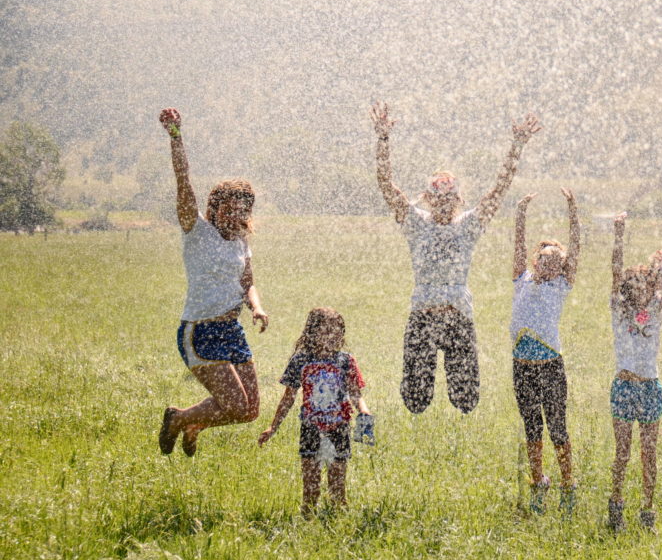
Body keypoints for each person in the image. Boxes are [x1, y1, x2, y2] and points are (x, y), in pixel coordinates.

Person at [370, 102, 541, 415]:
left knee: (466, 401)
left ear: (458, 198)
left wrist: (516, 146)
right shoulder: (415, 223)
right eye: (437, 196)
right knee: (415, 401)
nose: (443, 201)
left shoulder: (469, 225)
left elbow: (500, 189)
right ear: (428, 197)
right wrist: (383, 139)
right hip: (423, 314)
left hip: (457, 316)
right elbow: (385, 184)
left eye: (449, 196)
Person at [157, 108, 268, 457]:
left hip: (231, 331)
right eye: (228, 209)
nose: (234, 216)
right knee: (234, 404)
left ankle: (192, 422)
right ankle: (177, 419)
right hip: (200, 332)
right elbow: (183, 177)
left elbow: (247, 280)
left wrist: (257, 307)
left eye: (241, 211)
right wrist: (176, 135)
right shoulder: (196, 230)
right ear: (214, 207)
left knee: (249, 411)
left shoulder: (241, 240)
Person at [258, 308, 370, 517]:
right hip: (311, 428)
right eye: (327, 331)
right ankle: (307, 518)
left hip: (339, 428)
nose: (333, 336)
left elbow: (355, 393)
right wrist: (273, 426)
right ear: (313, 333)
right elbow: (288, 397)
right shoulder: (301, 361)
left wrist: (364, 411)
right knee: (311, 484)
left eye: (338, 331)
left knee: (337, 483)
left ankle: (339, 519)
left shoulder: (346, 361)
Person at [510, 188, 581, 514]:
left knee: (557, 425)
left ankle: (568, 482)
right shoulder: (521, 277)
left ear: (562, 267)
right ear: (535, 260)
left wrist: (572, 209)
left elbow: (576, 248)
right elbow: (519, 242)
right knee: (531, 425)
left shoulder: (561, 285)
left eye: (557, 260)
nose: (549, 262)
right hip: (521, 365)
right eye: (544, 257)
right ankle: (538, 479)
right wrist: (522, 212)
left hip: (550, 365)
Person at [607, 213, 662, 531]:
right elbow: (614, 271)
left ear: (651, 288)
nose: (637, 288)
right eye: (631, 284)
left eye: (643, 283)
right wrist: (619, 235)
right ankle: (616, 505)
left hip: (650, 387)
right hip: (624, 386)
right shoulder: (619, 312)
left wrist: (661, 271)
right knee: (622, 453)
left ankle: (648, 510)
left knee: (649, 452)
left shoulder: (657, 311)